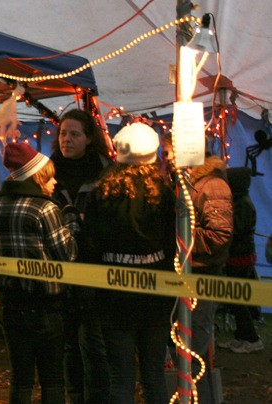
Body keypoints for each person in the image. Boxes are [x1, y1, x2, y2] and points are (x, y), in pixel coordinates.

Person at [84, 123, 177, 403]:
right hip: (155, 292)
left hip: (114, 294)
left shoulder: (102, 192)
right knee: (153, 374)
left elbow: (90, 244)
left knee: (121, 376)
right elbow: (172, 243)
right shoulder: (163, 193)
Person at [0, 141, 78, 404]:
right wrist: (71, 221)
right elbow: (67, 254)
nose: (55, 182)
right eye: (50, 177)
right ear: (37, 177)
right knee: (52, 378)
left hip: (9, 304)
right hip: (45, 305)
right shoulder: (45, 208)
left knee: (21, 378)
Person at [51, 109, 113, 403]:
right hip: (61, 272)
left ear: (89, 138)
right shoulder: (48, 174)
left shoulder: (106, 172)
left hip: (96, 270)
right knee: (68, 346)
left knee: (95, 345)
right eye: (63, 133)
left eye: (74, 134)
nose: (67, 139)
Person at [185, 151, 233, 403]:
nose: (169, 159)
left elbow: (219, 235)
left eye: (172, 154)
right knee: (189, 348)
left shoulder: (212, 184)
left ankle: (200, 399)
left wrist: (181, 234)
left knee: (196, 351)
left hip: (204, 274)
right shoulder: (193, 181)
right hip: (190, 272)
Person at [217, 167, 264, 353]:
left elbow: (235, 230)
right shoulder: (239, 201)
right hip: (238, 255)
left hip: (240, 256)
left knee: (237, 299)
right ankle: (241, 335)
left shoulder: (243, 204)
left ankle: (251, 338)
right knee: (235, 298)